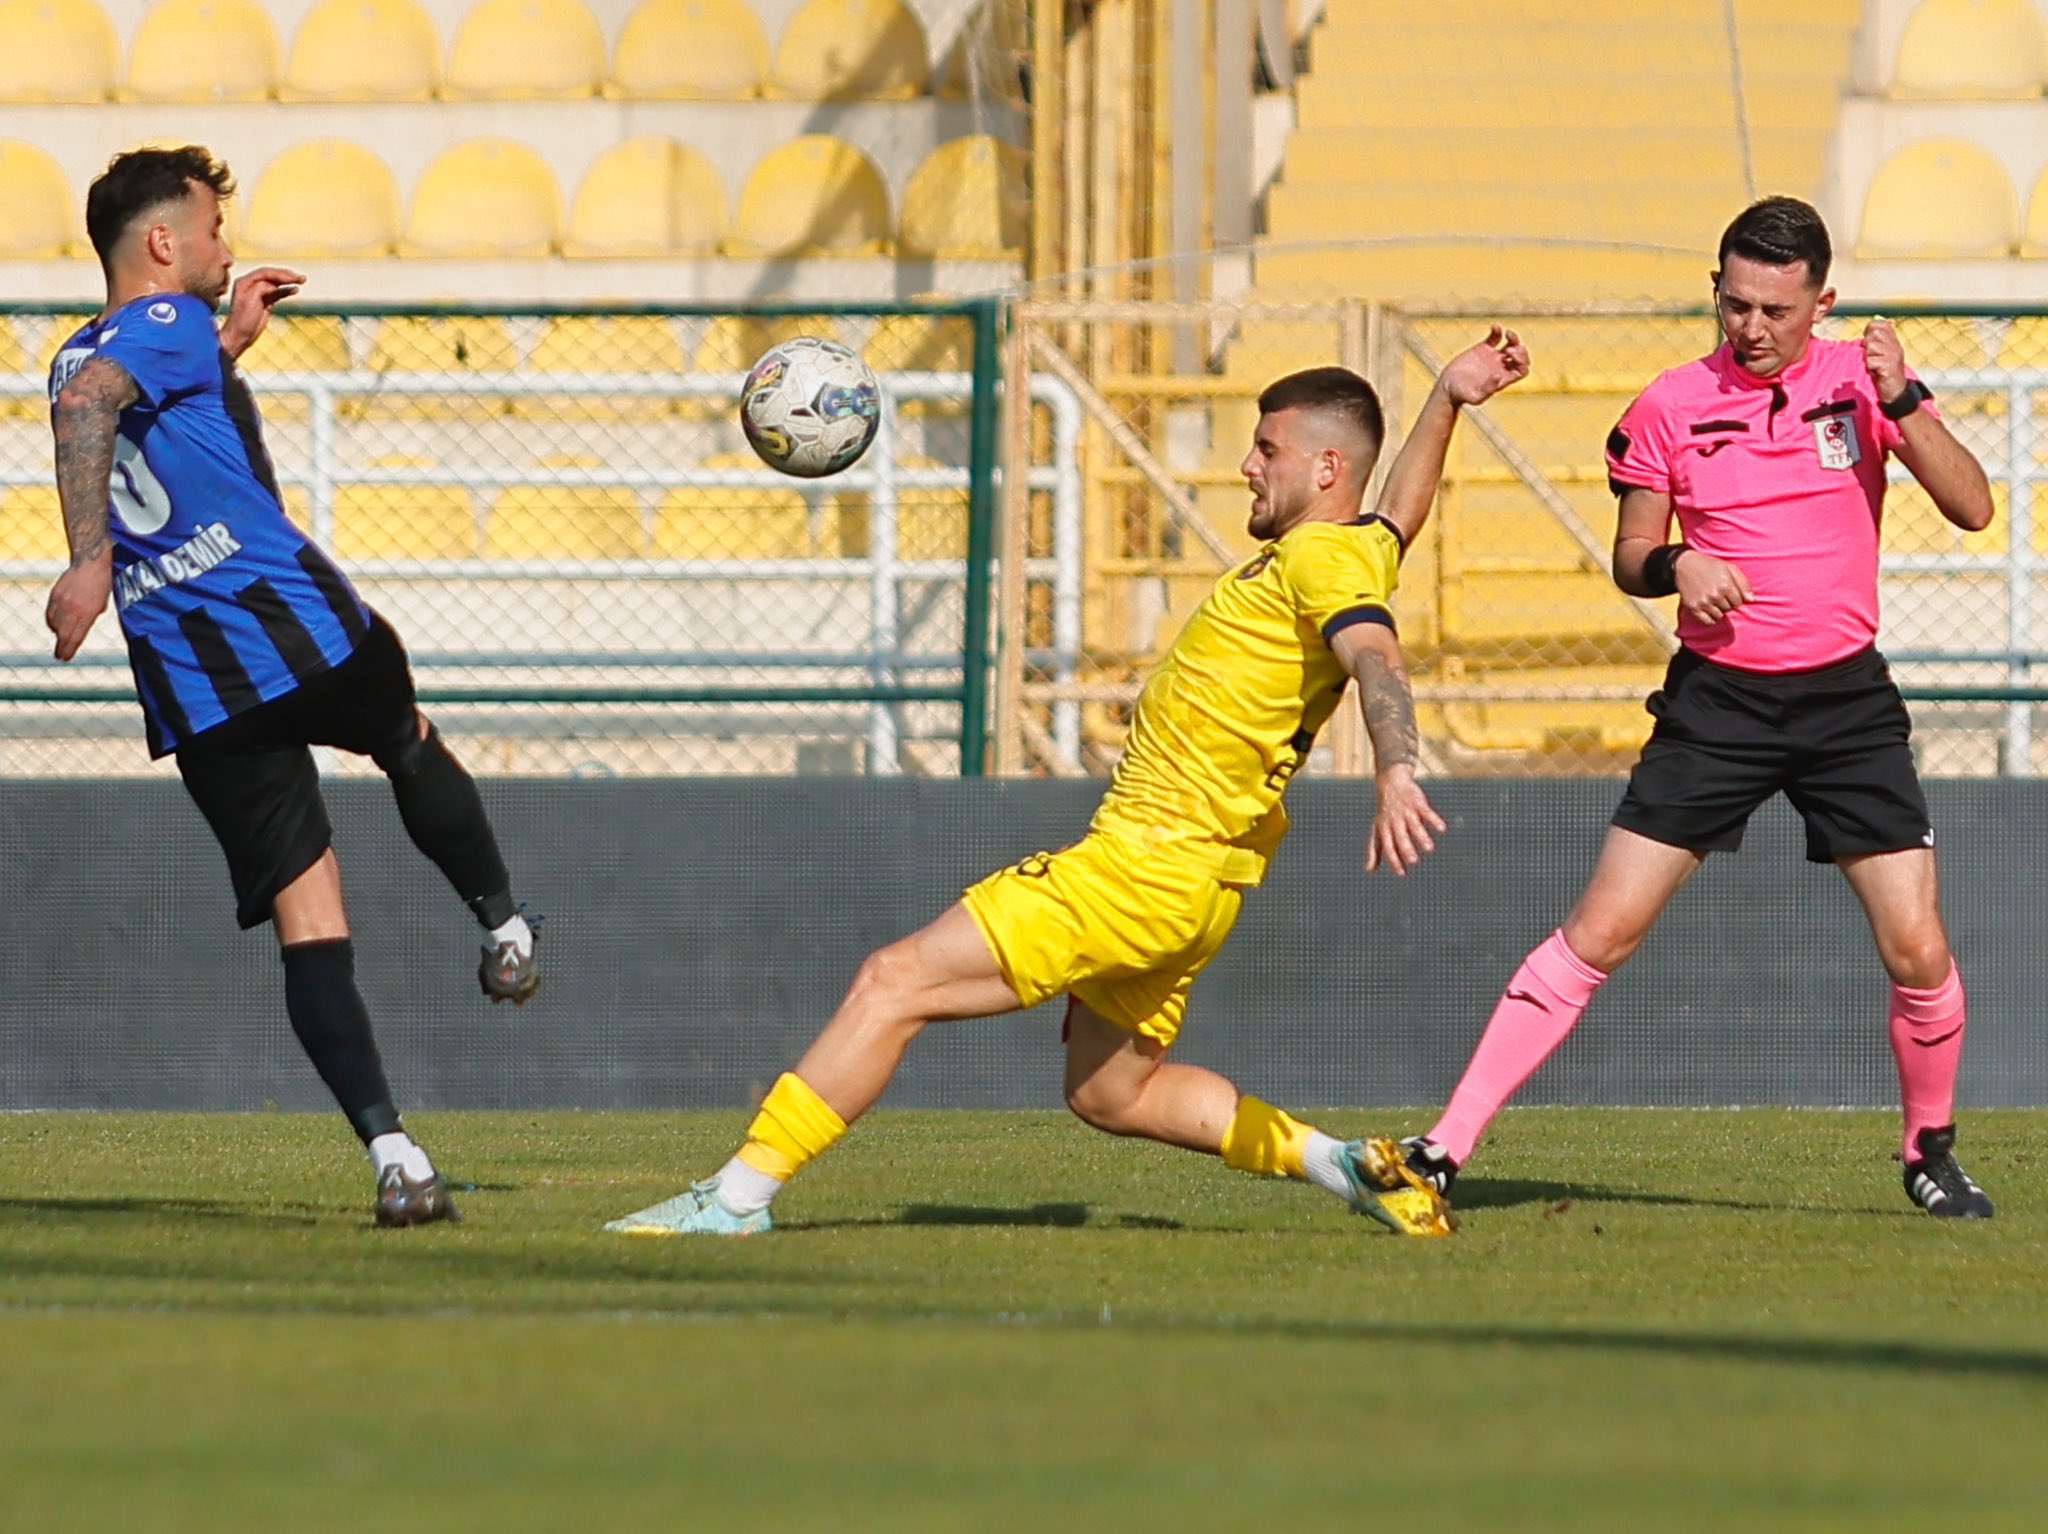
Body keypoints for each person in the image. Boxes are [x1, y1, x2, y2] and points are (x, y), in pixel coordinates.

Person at [605, 329, 1532, 1240]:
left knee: (893, 981)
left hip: (1142, 865)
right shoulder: (1354, 547)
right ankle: (1350, 1169)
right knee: (1109, 1090)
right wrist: (1446, 398)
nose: (1248, 465)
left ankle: (733, 1199)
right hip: (1199, 885)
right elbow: (1399, 515)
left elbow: (1375, 657)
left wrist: (1396, 766)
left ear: (1327, 468)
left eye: (1267, 449)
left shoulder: (1320, 560)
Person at [1401, 197, 1998, 1219]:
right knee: (1601, 930)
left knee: (1915, 948)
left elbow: (1971, 505)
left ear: (1821, 302)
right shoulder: (1668, 405)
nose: (1751, 327)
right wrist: (1681, 562)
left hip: (1844, 702)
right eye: (1733, 304)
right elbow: (1631, 556)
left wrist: (1901, 405)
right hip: (1716, 703)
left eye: (1773, 307)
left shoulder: (1866, 386)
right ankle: (1440, 1148)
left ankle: (1926, 1150)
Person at [44, 145, 542, 1228]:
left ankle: (395, 1157)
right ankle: (504, 927)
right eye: (214, 229)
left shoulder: (81, 348)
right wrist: (87, 557)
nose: (228, 248)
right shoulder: (159, 331)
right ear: (164, 243)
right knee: (406, 738)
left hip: (195, 684)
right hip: (295, 627)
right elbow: (101, 404)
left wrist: (228, 342)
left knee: (306, 917)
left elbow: (111, 405)